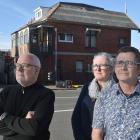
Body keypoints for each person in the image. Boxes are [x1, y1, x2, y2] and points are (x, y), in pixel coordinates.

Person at [0, 53, 55, 140]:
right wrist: (24, 125)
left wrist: (4, 117)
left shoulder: (46, 94)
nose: (19, 69)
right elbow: (28, 129)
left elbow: (34, 128)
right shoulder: (6, 92)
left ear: (37, 70)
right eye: (17, 65)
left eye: (25, 65)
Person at [92, 46, 140, 140]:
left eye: (129, 63)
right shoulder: (104, 95)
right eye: (120, 63)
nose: (123, 67)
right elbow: (97, 133)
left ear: (139, 69)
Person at [71, 52, 115, 140]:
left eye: (102, 65)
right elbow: (76, 117)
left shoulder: (118, 90)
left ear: (111, 69)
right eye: (95, 65)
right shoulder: (86, 88)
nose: (98, 69)